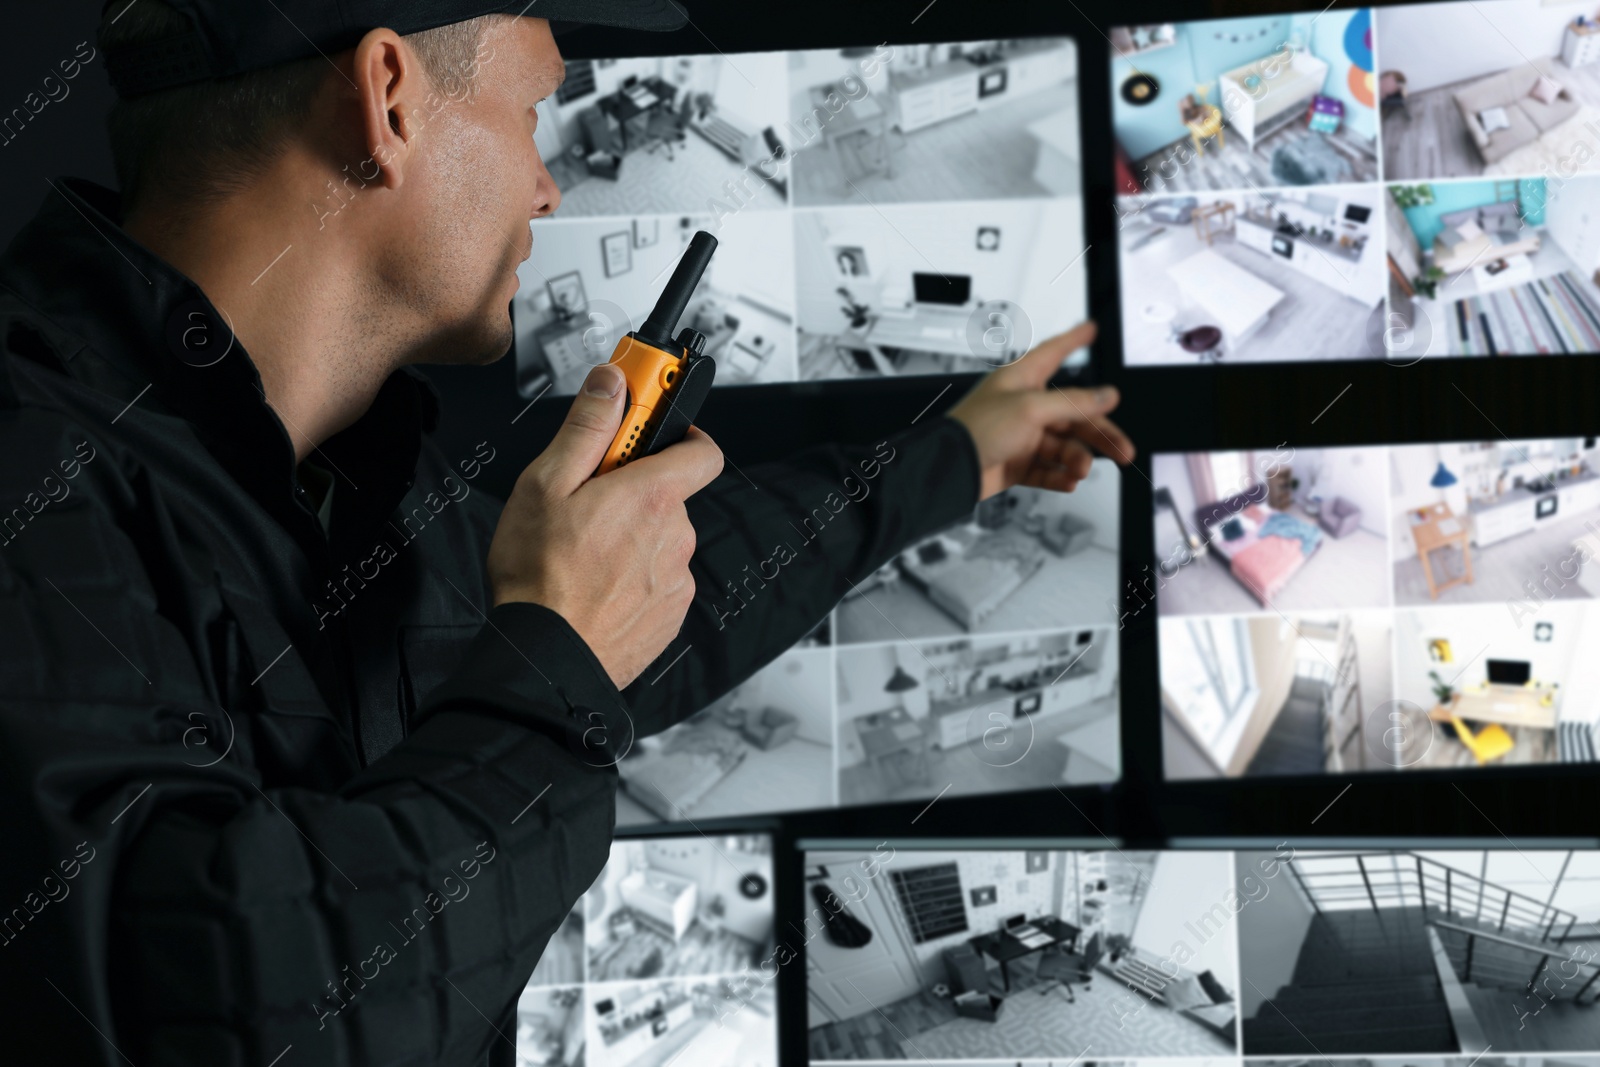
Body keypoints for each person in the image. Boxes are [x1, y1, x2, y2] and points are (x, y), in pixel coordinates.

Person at [0, 2, 1133, 1064]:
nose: (547, 188)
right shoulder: (32, 475)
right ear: (389, 100)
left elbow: (660, 609)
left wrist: (963, 454)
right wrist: (550, 676)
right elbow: (211, 1012)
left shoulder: (358, 481)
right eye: (532, 111)